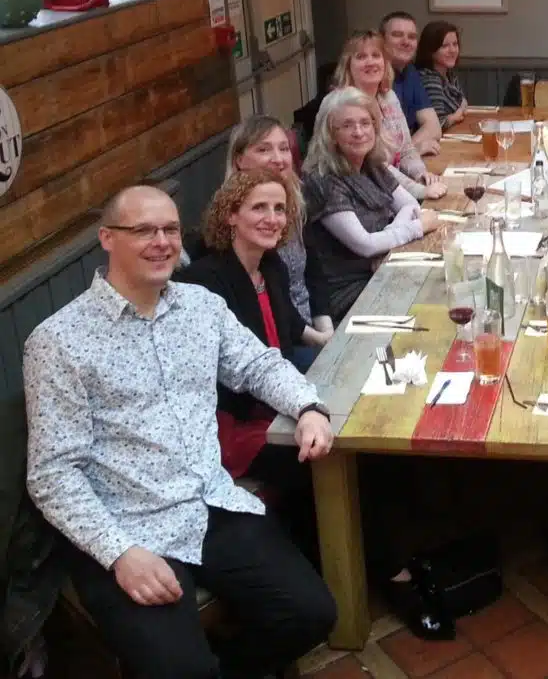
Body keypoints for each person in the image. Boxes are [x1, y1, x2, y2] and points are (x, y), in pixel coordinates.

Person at [23, 185, 337, 679]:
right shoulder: (59, 341)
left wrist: (308, 407)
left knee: (312, 614)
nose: (162, 242)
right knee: (181, 669)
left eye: (170, 229)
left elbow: (258, 365)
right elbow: (53, 474)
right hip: (126, 526)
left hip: (209, 503)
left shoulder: (201, 307)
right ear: (107, 238)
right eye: (143, 230)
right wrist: (120, 554)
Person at [178, 169, 331, 556]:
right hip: (234, 422)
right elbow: (222, 375)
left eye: (279, 209)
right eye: (259, 207)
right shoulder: (205, 281)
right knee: (318, 461)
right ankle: (327, 559)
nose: (272, 218)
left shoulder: (271, 267)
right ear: (231, 215)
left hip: (277, 401)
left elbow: (287, 332)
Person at [302, 87, 440, 322]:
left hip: (382, 270)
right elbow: (365, 245)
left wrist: (384, 245)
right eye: (347, 125)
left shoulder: (370, 164)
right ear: (330, 134)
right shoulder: (322, 179)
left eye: (365, 123)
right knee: (431, 306)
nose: (359, 132)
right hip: (349, 293)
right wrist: (416, 228)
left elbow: (410, 205)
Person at [224, 116, 333, 343]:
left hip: (315, 329)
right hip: (280, 341)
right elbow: (270, 305)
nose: (278, 159)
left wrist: (327, 330)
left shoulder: (297, 202)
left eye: (284, 149)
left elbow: (315, 275)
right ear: (239, 160)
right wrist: (318, 340)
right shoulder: (236, 218)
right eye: (264, 149)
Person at [334, 30, 447, 202]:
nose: (370, 62)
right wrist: (419, 190)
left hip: (395, 193)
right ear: (348, 65)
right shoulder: (345, 105)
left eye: (376, 55)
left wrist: (421, 174)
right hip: (359, 197)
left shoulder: (388, 98)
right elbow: (376, 167)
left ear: (385, 63)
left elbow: (406, 150)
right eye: (361, 57)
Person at [380, 10, 443, 155]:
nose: (406, 42)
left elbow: (433, 127)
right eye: (397, 35)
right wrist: (410, 152)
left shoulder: (410, 71)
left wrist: (409, 152)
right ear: (381, 41)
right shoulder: (373, 76)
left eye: (412, 37)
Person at [415, 21, 468, 129]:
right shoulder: (430, 80)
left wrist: (459, 111)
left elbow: (464, 102)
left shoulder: (449, 74)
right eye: (445, 46)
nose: (452, 50)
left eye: (455, 44)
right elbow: (437, 123)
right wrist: (456, 115)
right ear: (430, 50)